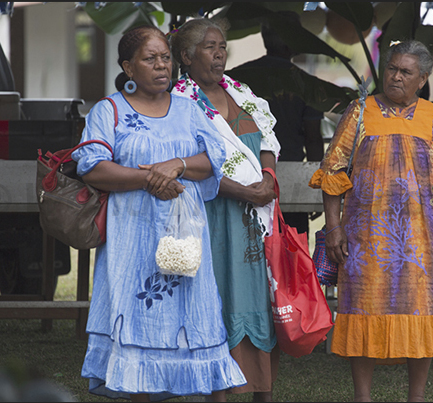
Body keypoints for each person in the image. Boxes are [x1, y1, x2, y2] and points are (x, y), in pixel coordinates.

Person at [309, 40, 433, 402]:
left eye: (405, 72)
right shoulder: (360, 112)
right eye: (391, 68)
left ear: (422, 79)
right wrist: (333, 227)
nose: (395, 77)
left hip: (424, 242)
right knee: (362, 310)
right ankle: (363, 396)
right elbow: (332, 173)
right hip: (365, 241)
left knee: (421, 313)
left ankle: (416, 397)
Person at [73, 25, 246, 402]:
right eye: (150, 59)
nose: (161, 66)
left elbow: (214, 160)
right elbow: (92, 166)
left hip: (184, 242)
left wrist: (178, 165)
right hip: (131, 241)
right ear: (128, 67)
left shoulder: (188, 109)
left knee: (193, 316)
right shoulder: (109, 110)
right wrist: (149, 178)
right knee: (137, 323)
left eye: (165, 57)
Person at [170, 18, 282, 402]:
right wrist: (240, 191)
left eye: (222, 47)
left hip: (255, 220)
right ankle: (217, 394)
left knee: (259, 301)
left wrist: (267, 176)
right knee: (217, 301)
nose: (219, 55)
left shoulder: (242, 93)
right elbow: (186, 165)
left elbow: (267, 137)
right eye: (209, 47)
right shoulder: (179, 103)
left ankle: (261, 391)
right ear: (186, 56)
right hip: (213, 218)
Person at [233, 10, 325, 235]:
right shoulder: (306, 83)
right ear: (292, 41)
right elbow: (313, 140)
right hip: (289, 178)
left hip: (245, 177)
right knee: (292, 251)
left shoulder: (236, 79)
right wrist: (315, 190)